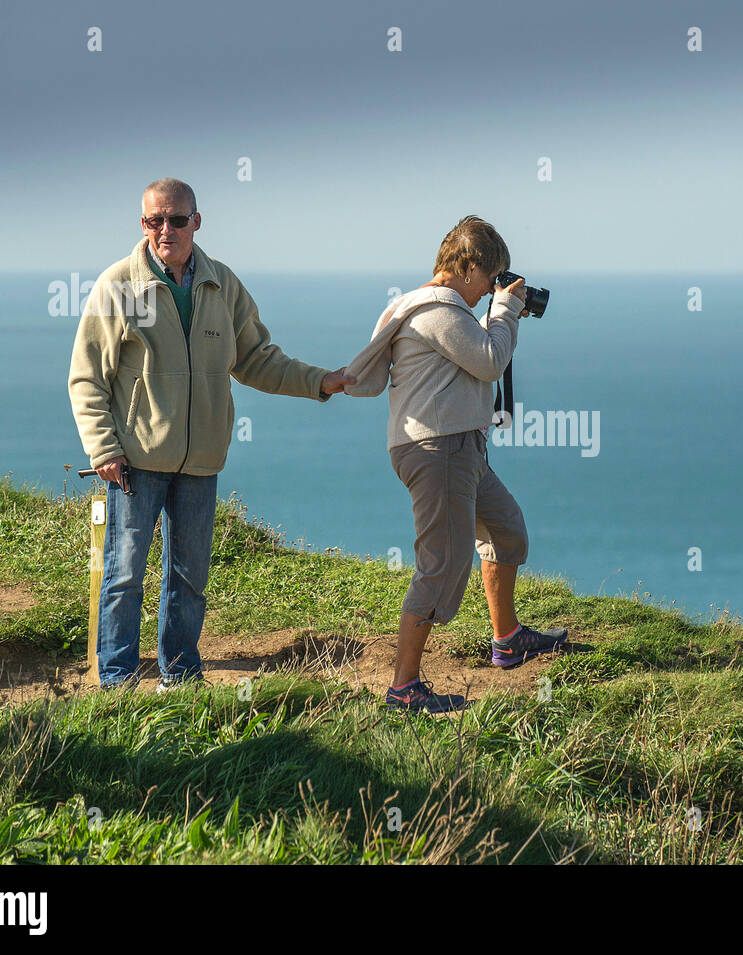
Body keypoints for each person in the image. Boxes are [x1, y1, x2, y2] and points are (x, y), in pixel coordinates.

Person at [68, 178, 355, 691]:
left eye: (177, 219)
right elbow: (87, 377)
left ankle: (179, 676)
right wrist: (104, 449)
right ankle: (115, 683)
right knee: (124, 575)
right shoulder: (118, 287)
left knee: (189, 577)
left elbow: (257, 360)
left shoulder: (222, 285)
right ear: (142, 224)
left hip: (201, 461)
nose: (166, 229)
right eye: (155, 220)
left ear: (197, 222)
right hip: (135, 461)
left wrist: (320, 382)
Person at [344, 215, 567, 713]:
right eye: (491, 279)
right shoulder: (439, 310)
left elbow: (477, 354)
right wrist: (506, 310)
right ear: (467, 268)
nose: (493, 289)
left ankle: (507, 640)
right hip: (438, 451)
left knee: (505, 530)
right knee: (441, 565)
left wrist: (498, 312)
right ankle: (404, 688)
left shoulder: (433, 309)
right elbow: (489, 361)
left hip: (458, 448)